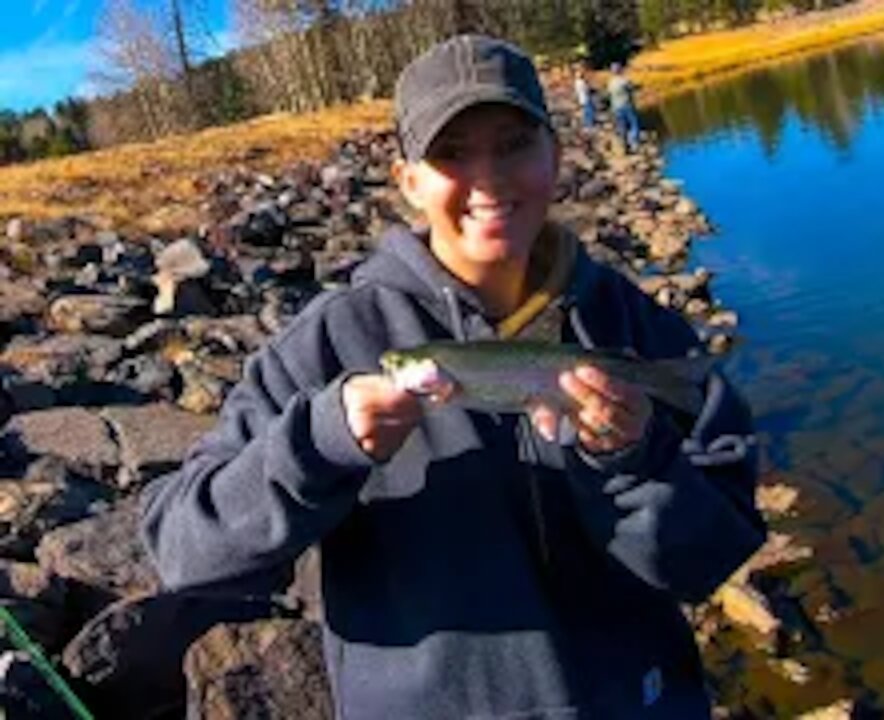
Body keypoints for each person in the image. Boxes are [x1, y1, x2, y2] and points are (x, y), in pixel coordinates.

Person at [141, 34, 764, 720]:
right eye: (451, 155)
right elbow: (183, 552)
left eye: (513, 144)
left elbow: (712, 560)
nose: (488, 180)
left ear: (555, 154)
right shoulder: (327, 342)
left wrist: (635, 460)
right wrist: (320, 445)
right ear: (409, 181)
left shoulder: (641, 333)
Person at [608, 61, 641, 151]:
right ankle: (634, 143)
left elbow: (610, 95)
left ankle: (624, 145)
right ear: (620, 70)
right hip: (627, 105)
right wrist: (638, 86)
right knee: (634, 124)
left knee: (622, 126)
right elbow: (632, 88)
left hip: (616, 107)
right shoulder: (624, 81)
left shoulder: (610, 83)